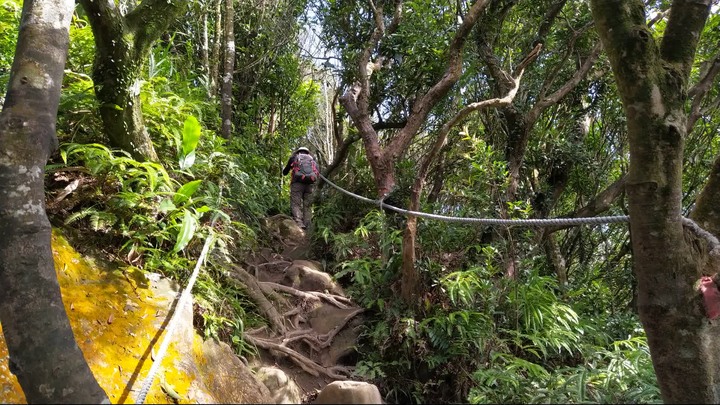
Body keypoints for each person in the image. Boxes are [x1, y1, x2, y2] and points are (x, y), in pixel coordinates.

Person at [282, 147, 320, 230]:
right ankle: (308, 223)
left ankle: (299, 222)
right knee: (308, 205)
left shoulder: (294, 158)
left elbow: (285, 172)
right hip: (309, 185)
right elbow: (317, 173)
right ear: (307, 152)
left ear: (298, 152)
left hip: (297, 184)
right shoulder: (312, 160)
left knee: (296, 203)